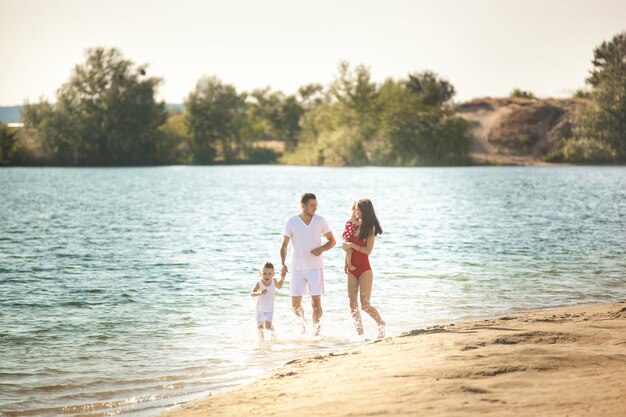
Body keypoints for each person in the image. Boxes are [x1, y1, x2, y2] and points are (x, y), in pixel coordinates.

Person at [280, 192, 336, 336]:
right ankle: (303, 328)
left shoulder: (320, 221)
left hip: (315, 268)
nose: (315, 208)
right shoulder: (291, 222)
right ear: (302, 206)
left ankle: (316, 333)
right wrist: (282, 263)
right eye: (312, 205)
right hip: (297, 268)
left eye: (316, 205)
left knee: (316, 302)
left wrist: (322, 248)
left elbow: (332, 241)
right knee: (295, 304)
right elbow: (284, 245)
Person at [342, 198, 385, 339]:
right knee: (352, 304)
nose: (355, 212)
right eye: (354, 209)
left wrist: (352, 246)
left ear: (364, 211)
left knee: (365, 305)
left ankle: (381, 323)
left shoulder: (370, 228)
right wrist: (345, 263)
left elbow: (367, 251)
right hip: (351, 269)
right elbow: (347, 246)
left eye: (357, 209)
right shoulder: (353, 226)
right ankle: (361, 335)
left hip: (365, 269)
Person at [250, 261, 286, 341]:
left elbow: (279, 286)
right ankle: (262, 343)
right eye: (264, 273)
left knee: (268, 327)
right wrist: (260, 293)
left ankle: (274, 338)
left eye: (269, 274)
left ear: (273, 274)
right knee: (260, 327)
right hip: (259, 309)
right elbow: (252, 293)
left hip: (269, 309)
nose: (267, 276)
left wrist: (283, 278)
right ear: (260, 274)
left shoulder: (273, 281)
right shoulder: (259, 283)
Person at [342, 201, 361, 272]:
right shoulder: (352, 219)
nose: (356, 213)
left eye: (357, 211)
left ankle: (346, 266)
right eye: (355, 211)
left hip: (349, 237)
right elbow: (360, 224)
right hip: (346, 237)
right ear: (352, 211)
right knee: (349, 251)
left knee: (348, 252)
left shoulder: (356, 219)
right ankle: (348, 265)